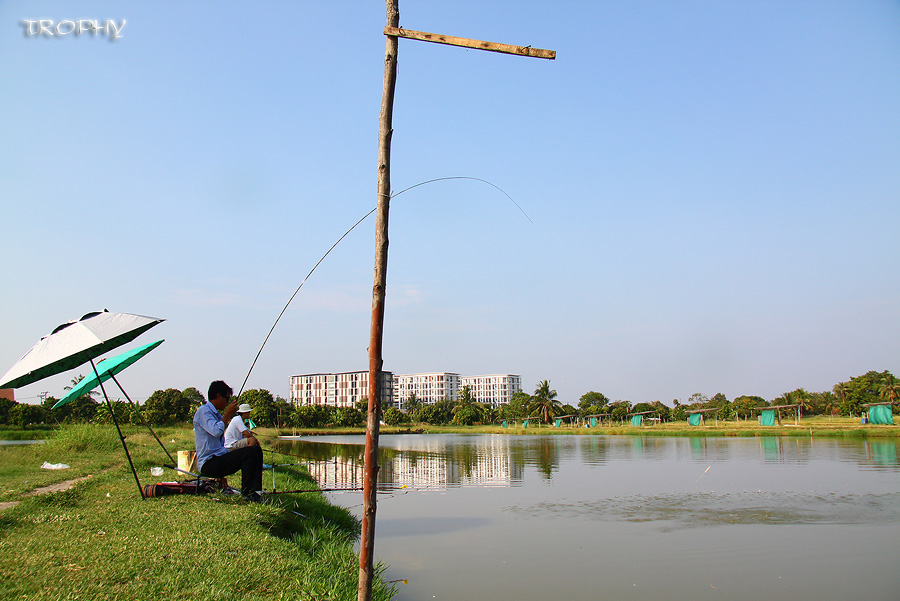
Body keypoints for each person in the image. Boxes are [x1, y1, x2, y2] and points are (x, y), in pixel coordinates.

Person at [193, 380, 263, 502]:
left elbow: (219, 447)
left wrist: (221, 476)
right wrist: (227, 414)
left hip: (217, 460)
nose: (228, 402)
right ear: (218, 396)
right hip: (208, 464)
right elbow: (216, 431)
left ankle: (254, 491)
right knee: (250, 452)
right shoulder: (203, 411)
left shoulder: (216, 415)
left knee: (254, 450)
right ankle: (249, 494)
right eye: (227, 398)